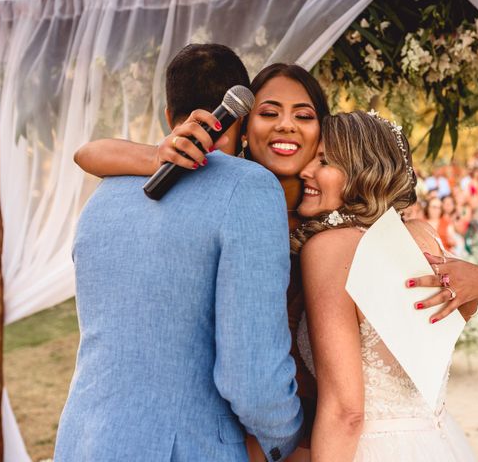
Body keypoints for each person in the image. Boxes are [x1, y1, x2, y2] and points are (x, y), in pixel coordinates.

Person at [75, 51, 478, 458]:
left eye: (304, 116)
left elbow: (415, 332)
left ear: (324, 134)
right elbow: (90, 153)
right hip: (263, 437)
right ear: (241, 123)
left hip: (331, 439)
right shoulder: (236, 194)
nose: (286, 126)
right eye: (268, 112)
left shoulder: (351, 230)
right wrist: (153, 155)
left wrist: (477, 284)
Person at [54, 44, 304, 461]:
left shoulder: (106, 191)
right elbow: (251, 377)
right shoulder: (250, 188)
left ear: (168, 116)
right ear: (242, 121)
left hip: (83, 440)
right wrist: (288, 437)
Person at [291, 111, 478, 461]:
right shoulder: (423, 237)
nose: (305, 171)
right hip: (435, 442)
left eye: (324, 161)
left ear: (362, 170)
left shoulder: (329, 249)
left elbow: (346, 413)